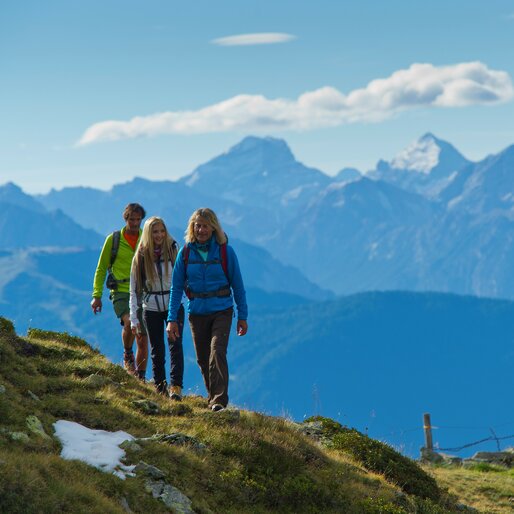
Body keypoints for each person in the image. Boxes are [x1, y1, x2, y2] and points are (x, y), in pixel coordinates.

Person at [166, 208, 248, 412]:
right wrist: (172, 319)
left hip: (222, 310)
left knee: (217, 351)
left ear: (213, 227)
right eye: (197, 225)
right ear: (192, 228)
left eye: (205, 225)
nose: (201, 230)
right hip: (196, 312)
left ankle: (219, 400)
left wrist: (242, 316)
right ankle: (213, 398)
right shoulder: (185, 253)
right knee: (203, 358)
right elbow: (176, 287)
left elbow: (238, 285)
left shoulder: (225, 251)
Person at [129, 216, 185, 399]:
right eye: (155, 231)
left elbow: (183, 278)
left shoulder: (173, 249)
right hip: (151, 307)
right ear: (148, 233)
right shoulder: (141, 255)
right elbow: (134, 289)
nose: (159, 235)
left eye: (162, 230)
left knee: (175, 346)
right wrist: (134, 318)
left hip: (173, 305)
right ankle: (160, 388)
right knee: (157, 350)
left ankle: (175, 388)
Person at [91, 203, 148, 379]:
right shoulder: (113, 239)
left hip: (142, 291)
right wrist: (96, 296)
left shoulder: (145, 238)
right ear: (126, 218)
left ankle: (140, 377)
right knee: (131, 323)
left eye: (138, 220)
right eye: (132, 219)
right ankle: (127, 352)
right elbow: (101, 268)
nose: (135, 223)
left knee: (143, 337)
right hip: (120, 291)